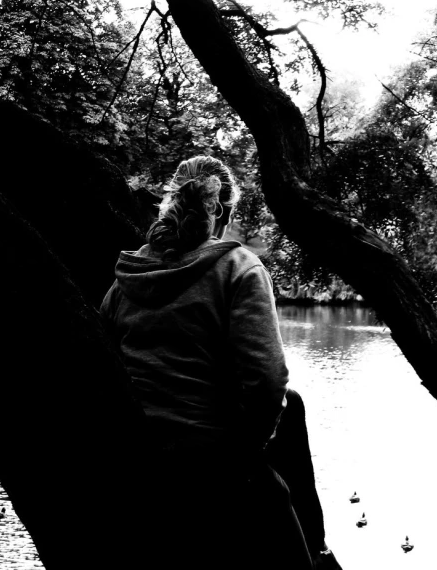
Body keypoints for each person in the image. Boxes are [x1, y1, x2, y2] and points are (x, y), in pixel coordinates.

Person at [100, 155, 334, 569]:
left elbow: (105, 364)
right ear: (224, 210)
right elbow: (266, 379)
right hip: (209, 455)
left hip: (143, 445)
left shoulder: (128, 274)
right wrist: (246, 454)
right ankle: (316, 548)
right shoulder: (237, 267)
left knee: (292, 403)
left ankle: (315, 542)